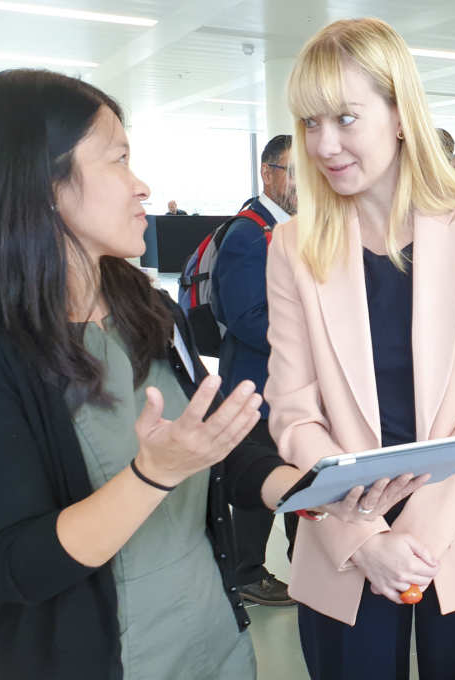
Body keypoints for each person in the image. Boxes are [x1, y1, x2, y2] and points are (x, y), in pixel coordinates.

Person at [0, 68, 423, 680]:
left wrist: (309, 492)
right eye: (119, 161)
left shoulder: (143, 307)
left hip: (214, 645)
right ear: (42, 183)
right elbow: (16, 566)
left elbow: (218, 455)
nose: (141, 185)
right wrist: (152, 475)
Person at [266, 17, 455, 680]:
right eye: (308, 123)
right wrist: (366, 539)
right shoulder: (295, 245)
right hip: (343, 534)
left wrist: (414, 541)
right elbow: (294, 415)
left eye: (345, 117)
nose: (323, 143)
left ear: (398, 114)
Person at [213, 133, 298, 606]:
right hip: (256, 386)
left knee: (298, 472)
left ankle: (303, 566)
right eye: (293, 171)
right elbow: (246, 319)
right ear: (267, 173)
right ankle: (246, 573)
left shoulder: (298, 228)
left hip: (292, 384)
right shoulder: (249, 234)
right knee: (256, 479)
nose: (303, 183)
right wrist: (310, 338)